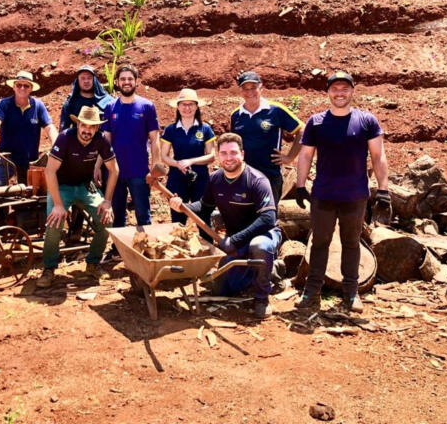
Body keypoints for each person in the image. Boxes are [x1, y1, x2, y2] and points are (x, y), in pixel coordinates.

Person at [294, 71, 390, 314]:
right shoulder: (316, 122)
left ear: (352, 91)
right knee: (320, 243)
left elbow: (378, 156)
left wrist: (384, 190)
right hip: (323, 194)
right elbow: (305, 155)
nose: (339, 93)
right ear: (328, 92)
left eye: (344, 89)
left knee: (351, 243)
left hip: (355, 195)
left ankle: (351, 292)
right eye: (335, 89)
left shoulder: (367, 121)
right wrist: (299, 185)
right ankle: (311, 291)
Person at [170, 133, 281, 318]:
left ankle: (262, 297)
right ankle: (270, 270)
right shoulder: (216, 179)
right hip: (236, 240)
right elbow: (204, 208)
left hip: (264, 235)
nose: (229, 158)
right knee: (222, 289)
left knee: (258, 246)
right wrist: (183, 207)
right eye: (224, 153)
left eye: (233, 152)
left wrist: (235, 240)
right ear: (218, 156)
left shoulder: (257, 180)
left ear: (242, 154)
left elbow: (268, 218)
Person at [36, 106, 119, 288]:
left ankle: (93, 264)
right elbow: (50, 171)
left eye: (91, 127)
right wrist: (58, 204)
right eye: (84, 125)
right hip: (61, 186)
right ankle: (49, 268)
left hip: (84, 186)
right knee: (54, 221)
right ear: (78, 124)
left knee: (106, 220)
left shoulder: (101, 140)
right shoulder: (65, 137)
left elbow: (114, 170)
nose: (87, 130)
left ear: (97, 128)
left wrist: (107, 201)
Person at [230, 71, 303, 206]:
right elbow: (233, 144)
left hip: (270, 175)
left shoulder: (275, 110)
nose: (249, 92)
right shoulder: (236, 115)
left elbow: (302, 130)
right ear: (240, 91)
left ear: (261, 88)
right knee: (244, 215)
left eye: (253, 87)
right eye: (245, 88)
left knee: (268, 216)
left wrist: (290, 157)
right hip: (243, 175)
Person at [102, 64, 160, 230]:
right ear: (117, 82)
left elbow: (155, 138)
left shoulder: (147, 106)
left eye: (130, 79)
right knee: (118, 214)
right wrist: (99, 166)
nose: (126, 82)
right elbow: (105, 141)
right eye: (123, 79)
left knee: (143, 214)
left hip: (139, 170)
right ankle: (118, 250)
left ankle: (145, 250)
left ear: (136, 82)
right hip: (115, 171)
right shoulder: (110, 107)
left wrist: (156, 166)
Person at [0, 71, 58, 185]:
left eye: (26, 85)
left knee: (32, 193)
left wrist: (57, 145)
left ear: (31, 89)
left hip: (30, 159)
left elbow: (50, 128)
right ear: (14, 87)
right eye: (19, 85)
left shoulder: (38, 106)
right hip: (7, 157)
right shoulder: (4, 104)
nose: (22, 88)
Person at [160, 88, 216, 224]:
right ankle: (179, 245)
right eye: (183, 104)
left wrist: (190, 161)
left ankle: (208, 244)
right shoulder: (170, 130)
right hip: (177, 178)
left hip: (201, 178)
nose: (187, 108)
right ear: (178, 107)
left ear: (197, 107)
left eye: (191, 104)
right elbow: (164, 156)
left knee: (203, 217)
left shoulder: (205, 129)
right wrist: (178, 164)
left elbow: (212, 156)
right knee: (177, 218)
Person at [59, 65, 113, 130]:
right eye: (83, 78)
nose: (86, 81)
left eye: (89, 78)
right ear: (78, 81)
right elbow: (63, 129)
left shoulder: (107, 102)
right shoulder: (70, 103)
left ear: (94, 80)